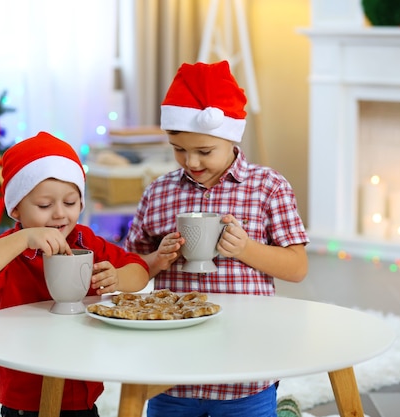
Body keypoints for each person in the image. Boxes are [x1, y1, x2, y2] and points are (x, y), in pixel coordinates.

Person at [124, 60, 310, 417]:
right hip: (171, 374)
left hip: (246, 373)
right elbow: (130, 271)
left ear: (231, 137)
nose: (190, 161)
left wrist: (246, 249)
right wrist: (157, 260)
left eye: (204, 151)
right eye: (179, 149)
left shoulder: (268, 188)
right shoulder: (159, 191)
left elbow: (298, 268)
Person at [0, 131, 150, 417]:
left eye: (70, 203)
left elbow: (140, 270)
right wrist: (24, 239)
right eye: (45, 206)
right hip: (27, 395)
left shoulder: (86, 242)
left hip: (82, 387)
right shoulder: (10, 251)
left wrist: (117, 279)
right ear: (16, 209)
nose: (59, 214)